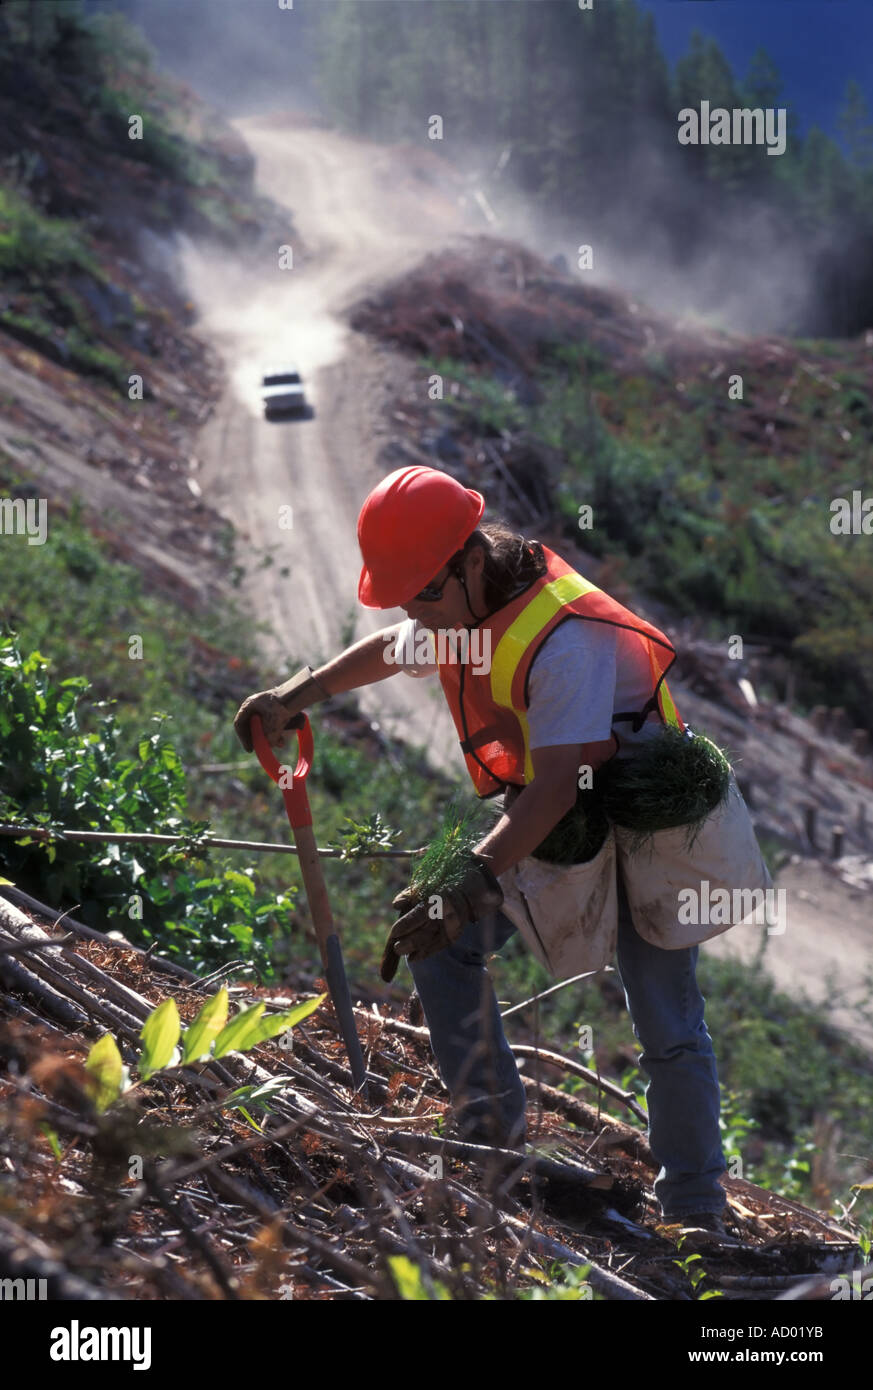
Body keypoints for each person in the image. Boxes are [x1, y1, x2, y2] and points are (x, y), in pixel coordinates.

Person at [234, 464, 731, 1232]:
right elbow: (393, 649)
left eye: (424, 594)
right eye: (405, 597)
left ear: (471, 559)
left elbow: (556, 785)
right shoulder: (459, 608)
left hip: (643, 822)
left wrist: (470, 876)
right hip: (561, 819)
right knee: (436, 940)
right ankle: (491, 1147)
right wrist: (294, 698)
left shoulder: (565, 643)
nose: (416, 613)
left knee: (664, 1018)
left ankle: (696, 1210)